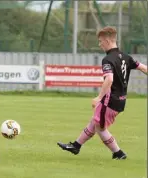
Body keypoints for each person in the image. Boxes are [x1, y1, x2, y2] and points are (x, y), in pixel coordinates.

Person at [57, 26, 147, 160]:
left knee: (100, 128)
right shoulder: (126, 57)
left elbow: (109, 79)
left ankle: (119, 153)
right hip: (121, 100)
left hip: (109, 101)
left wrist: (99, 97)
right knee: (95, 122)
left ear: (107, 40)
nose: (99, 45)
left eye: (100, 41)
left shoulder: (108, 59)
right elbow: (144, 68)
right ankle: (76, 146)